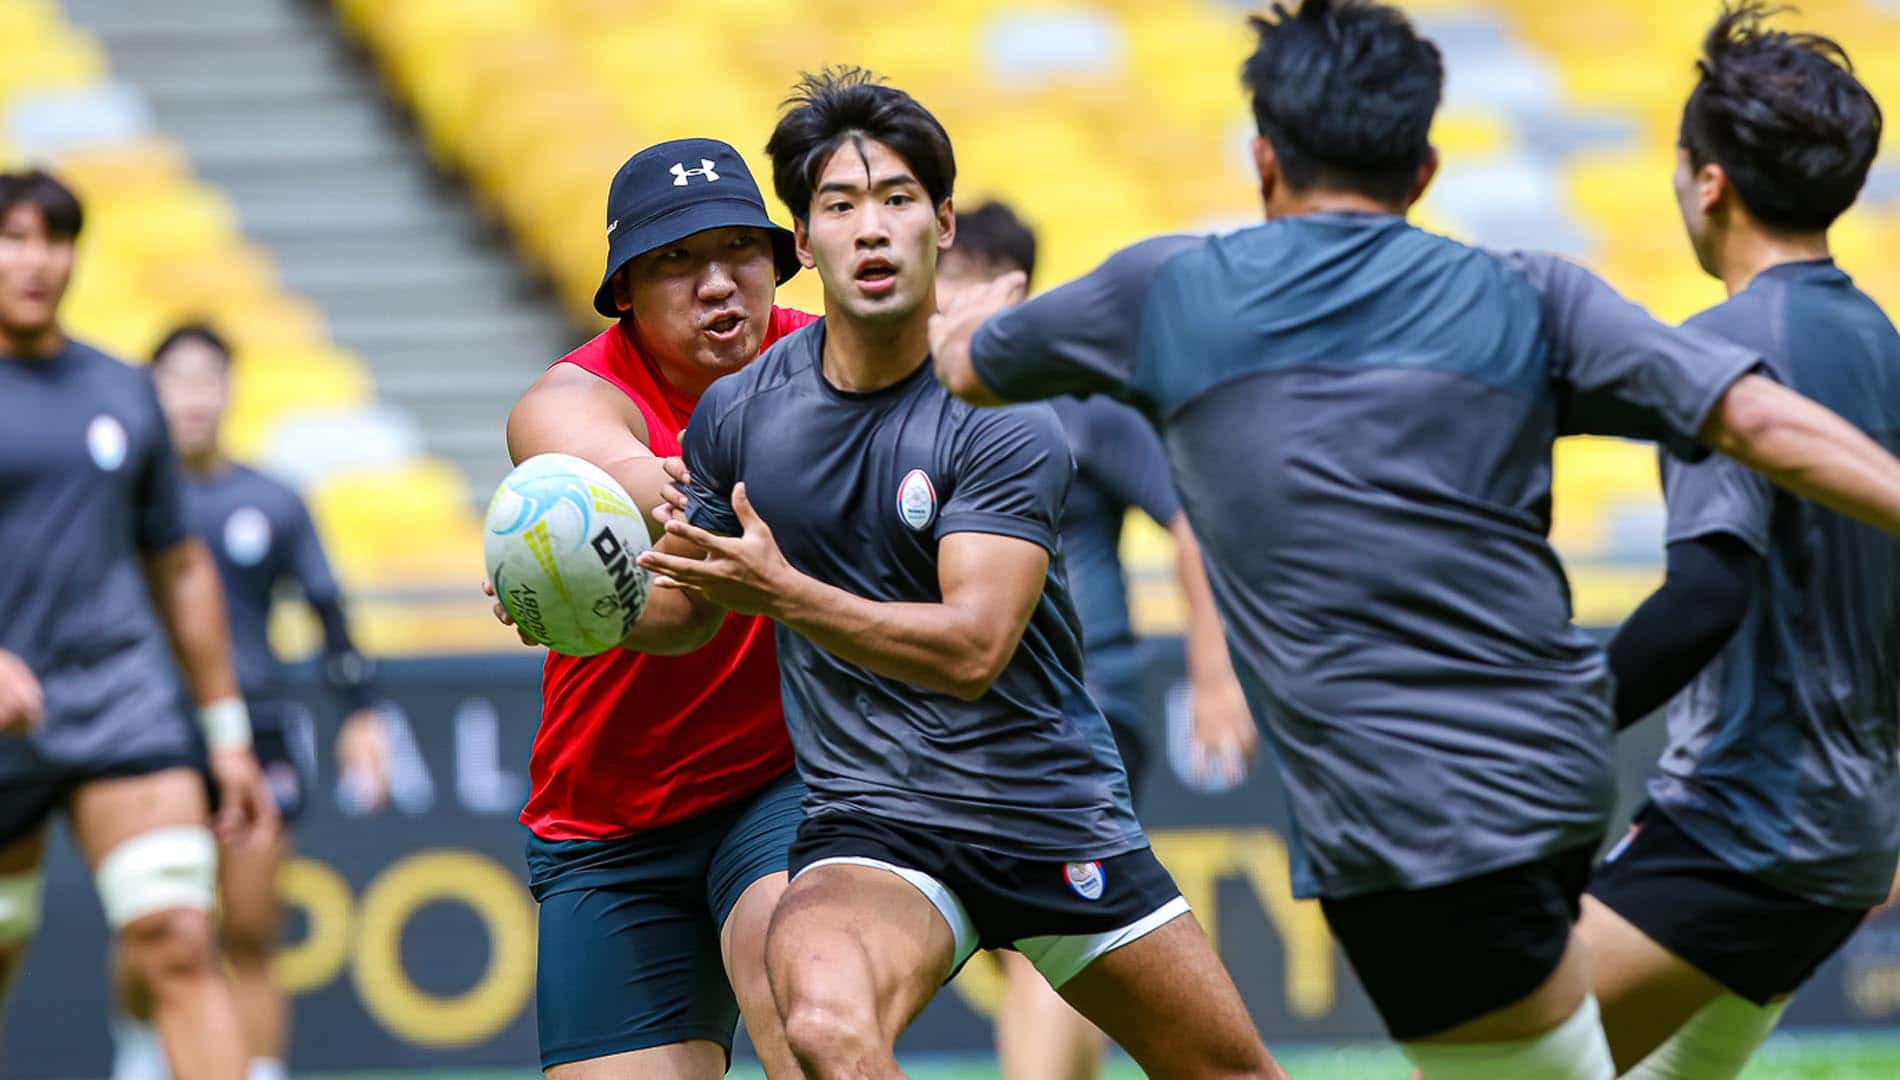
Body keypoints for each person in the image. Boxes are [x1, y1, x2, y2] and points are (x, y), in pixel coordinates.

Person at [928, 2, 1900, 1076]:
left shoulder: (1164, 290)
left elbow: (969, 364)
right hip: (1560, 788)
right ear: (1426, 167)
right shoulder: (1532, 291)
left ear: (1264, 155)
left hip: (1408, 831)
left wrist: (965, 318)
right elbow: (1758, 418)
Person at [633, 68, 1285, 1080]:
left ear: (940, 224)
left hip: (1044, 811)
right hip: (873, 821)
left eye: (896, 200)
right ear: (803, 243)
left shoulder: (1006, 414)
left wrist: (783, 594)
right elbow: (687, 611)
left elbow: (974, 648)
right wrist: (588, 608)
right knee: (821, 1023)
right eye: (840, 207)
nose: (872, 229)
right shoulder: (738, 416)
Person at [1582, 6, 1898, 1076]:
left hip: (1742, 831)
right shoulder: (1880, 343)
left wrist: (1553, 717)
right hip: (1845, 838)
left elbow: (1706, 594)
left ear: (1706, 180)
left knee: (1498, 1066)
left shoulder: (1719, 351)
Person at [491, 137, 813, 1079]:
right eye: (677, 260)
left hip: (782, 779)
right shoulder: (565, 401)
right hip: (607, 820)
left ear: (778, 260)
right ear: (624, 289)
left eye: (738, 252)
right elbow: (676, 605)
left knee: (804, 998)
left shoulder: (829, 363)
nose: (717, 283)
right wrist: (660, 501)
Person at [940, 200, 1256, 1080]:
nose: (934, 307)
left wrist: (1213, 673)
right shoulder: (919, 405)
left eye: (954, 286)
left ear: (1012, 291)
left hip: (1081, 710)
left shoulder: (1080, 400)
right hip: (967, 717)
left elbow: (1193, 522)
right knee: (1044, 949)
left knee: (1052, 925)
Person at [0, 168, 275, 1078]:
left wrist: (225, 731)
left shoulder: (124, 393)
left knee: (178, 938)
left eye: (55, 238)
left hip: (125, 703)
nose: (38, 260)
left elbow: (180, 565)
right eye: (15, 238)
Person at [107, 323, 394, 1080]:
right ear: (151, 390)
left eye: (209, 378)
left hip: (257, 731)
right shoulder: (119, 498)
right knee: (155, 919)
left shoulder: (272, 499)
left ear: (230, 390)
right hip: (148, 730)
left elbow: (331, 613)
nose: (194, 397)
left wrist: (361, 715)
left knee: (252, 930)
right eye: (177, 379)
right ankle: (140, 1060)